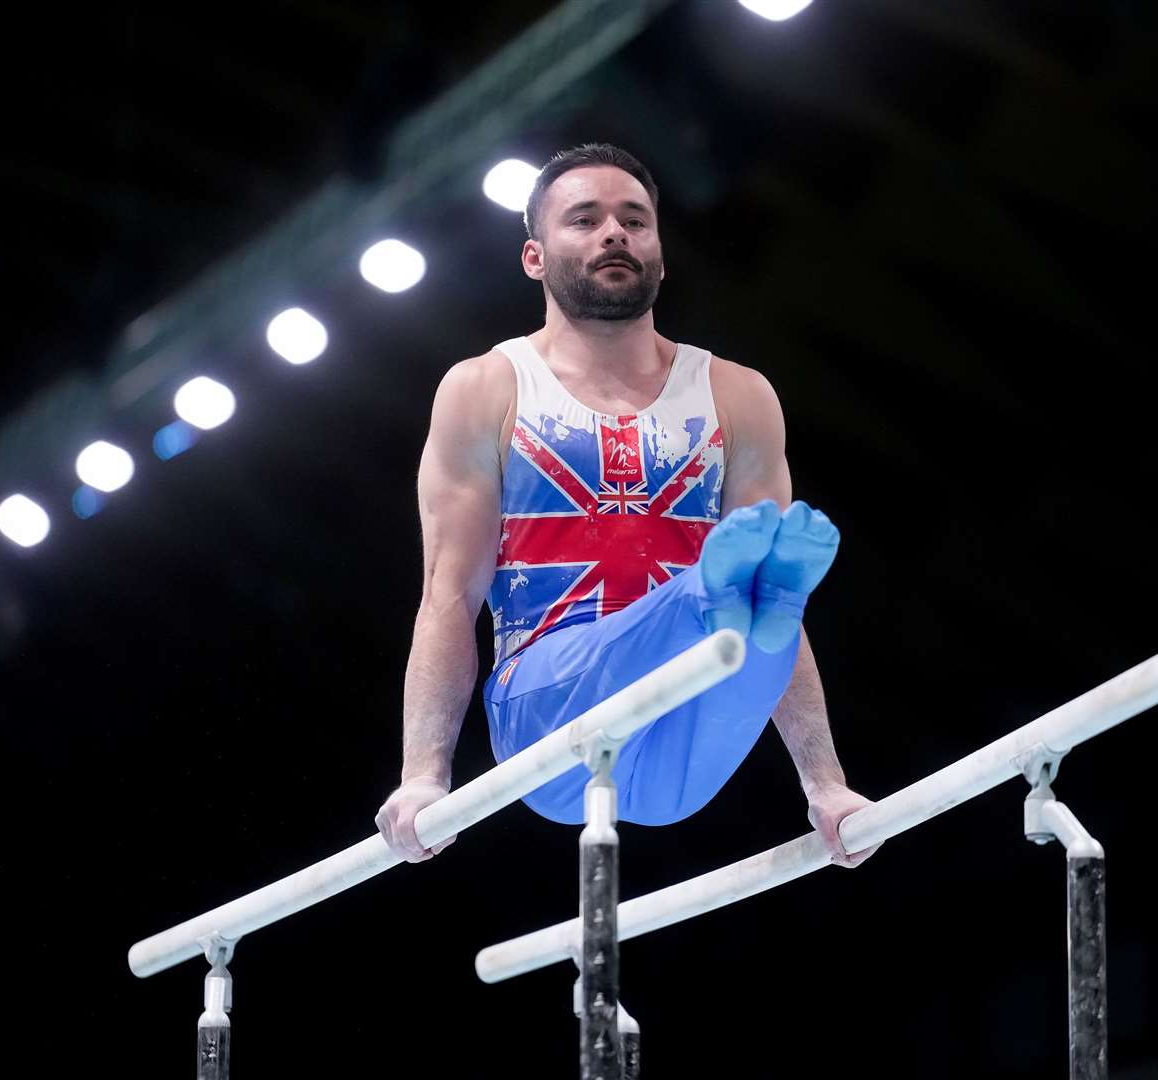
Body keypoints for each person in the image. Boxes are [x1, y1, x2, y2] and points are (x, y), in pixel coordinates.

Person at [375, 143, 881, 870]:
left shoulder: (738, 395)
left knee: (767, 613)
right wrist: (424, 777)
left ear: (661, 257)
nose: (614, 232)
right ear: (534, 258)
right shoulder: (485, 387)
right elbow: (449, 597)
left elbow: (778, 626)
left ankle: (731, 593)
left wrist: (825, 787)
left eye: (634, 220)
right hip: (547, 722)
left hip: (686, 732)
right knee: (730, 594)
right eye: (584, 219)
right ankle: (717, 590)